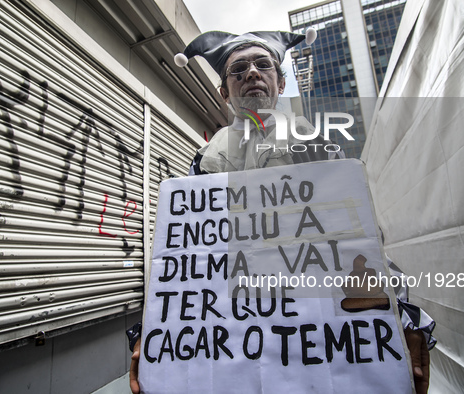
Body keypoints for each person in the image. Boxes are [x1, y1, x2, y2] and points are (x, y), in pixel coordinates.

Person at [129, 29, 435, 394]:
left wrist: (403, 318)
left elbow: (361, 240)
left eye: (263, 64)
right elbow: (187, 257)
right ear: (225, 92)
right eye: (238, 69)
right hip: (235, 335)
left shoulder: (315, 144)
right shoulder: (206, 160)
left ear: (281, 80)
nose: (252, 73)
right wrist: (153, 334)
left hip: (315, 333)